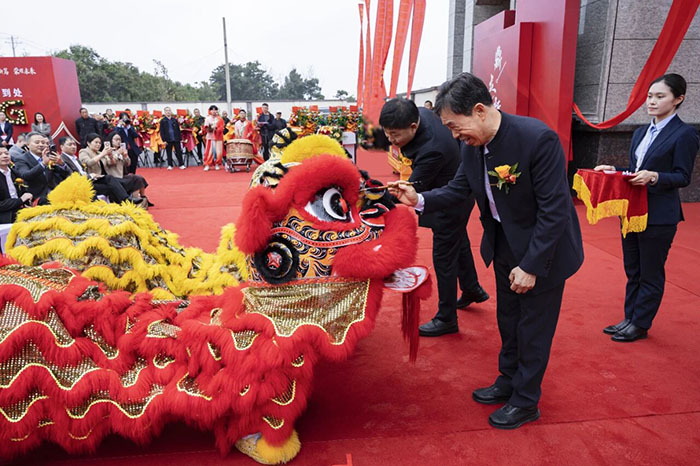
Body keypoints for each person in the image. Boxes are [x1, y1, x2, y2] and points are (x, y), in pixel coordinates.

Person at [389, 73, 584, 429]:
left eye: (454, 125)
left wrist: (532, 265)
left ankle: (526, 400)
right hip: (505, 243)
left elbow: (554, 211)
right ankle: (508, 380)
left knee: (533, 328)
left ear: (479, 111)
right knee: (508, 319)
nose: (453, 135)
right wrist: (418, 199)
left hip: (544, 251)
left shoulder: (536, 139)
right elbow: (458, 189)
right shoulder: (472, 146)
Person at [595, 73, 699, 342]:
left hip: (660, 215)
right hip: (632, 212)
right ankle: (629, 318)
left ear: (678, 99)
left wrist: (654, 177)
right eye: (650, 96)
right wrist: (614, 168)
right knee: (633, 270)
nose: (652, 101)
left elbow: (682, 176)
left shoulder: (685, 134)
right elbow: (636, 169)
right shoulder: (641, 132)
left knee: (650, 272)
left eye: (660, 96)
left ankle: (640, 324)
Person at [380, 98, 488, 336]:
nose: (390, 140)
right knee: (459, 241)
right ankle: (472, 288)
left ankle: (446, 318)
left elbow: (409, 191)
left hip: (449, 199)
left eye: (395, 134)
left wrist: (373, 199)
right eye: (387, 133)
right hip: (455, 186)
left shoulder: (432, 149)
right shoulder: (418, 113)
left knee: (443, 258)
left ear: (413, 126)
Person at [58, 136, 136, 205]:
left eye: (74, 144)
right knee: (113, 185)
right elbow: (74, 173)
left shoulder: (76, 158)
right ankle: (125, 202)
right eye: (70, 145)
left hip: (94, 178)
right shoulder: (63, 159)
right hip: (82, 184)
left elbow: (111, 163)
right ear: (61, 147)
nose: (73, 147)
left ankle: (126, 200)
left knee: (110, 178)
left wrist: (111, 156)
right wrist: (91, 175)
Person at [14, 132, 70, 204]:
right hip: (37, 198)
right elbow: (25, 175)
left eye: (43, 143)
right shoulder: (21, 159)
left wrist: (61, 164)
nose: (41, 145)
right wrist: (43, 164)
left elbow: (65, 175)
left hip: (56, 194)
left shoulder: (48, 156)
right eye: (37, 142)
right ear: (28, 145)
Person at [103, 132, 152, 205]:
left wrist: (125, 156)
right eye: (116, 139)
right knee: (135, 179)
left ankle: (142, 197)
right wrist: (117, 153)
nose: (118, 141)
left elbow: (128, 164)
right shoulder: (108, 151)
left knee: (139, 178)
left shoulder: (121, 150)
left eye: (119, 140)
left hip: (122, 175)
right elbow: (111, 163)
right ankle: (136, 200)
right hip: (114, 177)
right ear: (111, 140)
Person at [0, 146, 33, 223]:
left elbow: (23, 191)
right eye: (0, 154)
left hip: (19, 208)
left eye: (6, 153)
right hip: (5, 214)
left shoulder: (14, 172)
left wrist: (27, 200)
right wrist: (20, 200)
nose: (5, 156)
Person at [203, 105, 224, 171]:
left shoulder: (220, 119)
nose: (214, 111)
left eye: (215, 110)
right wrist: (210, 129)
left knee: (218, 152)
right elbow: (205, 128)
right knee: (209, 152)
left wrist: (217, 129)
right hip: (210, 137)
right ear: (210, 111)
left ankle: (217, 164)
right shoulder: (207, 119)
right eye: (212, 110)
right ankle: (207, 164)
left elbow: (222, 128)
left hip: (218, 138)